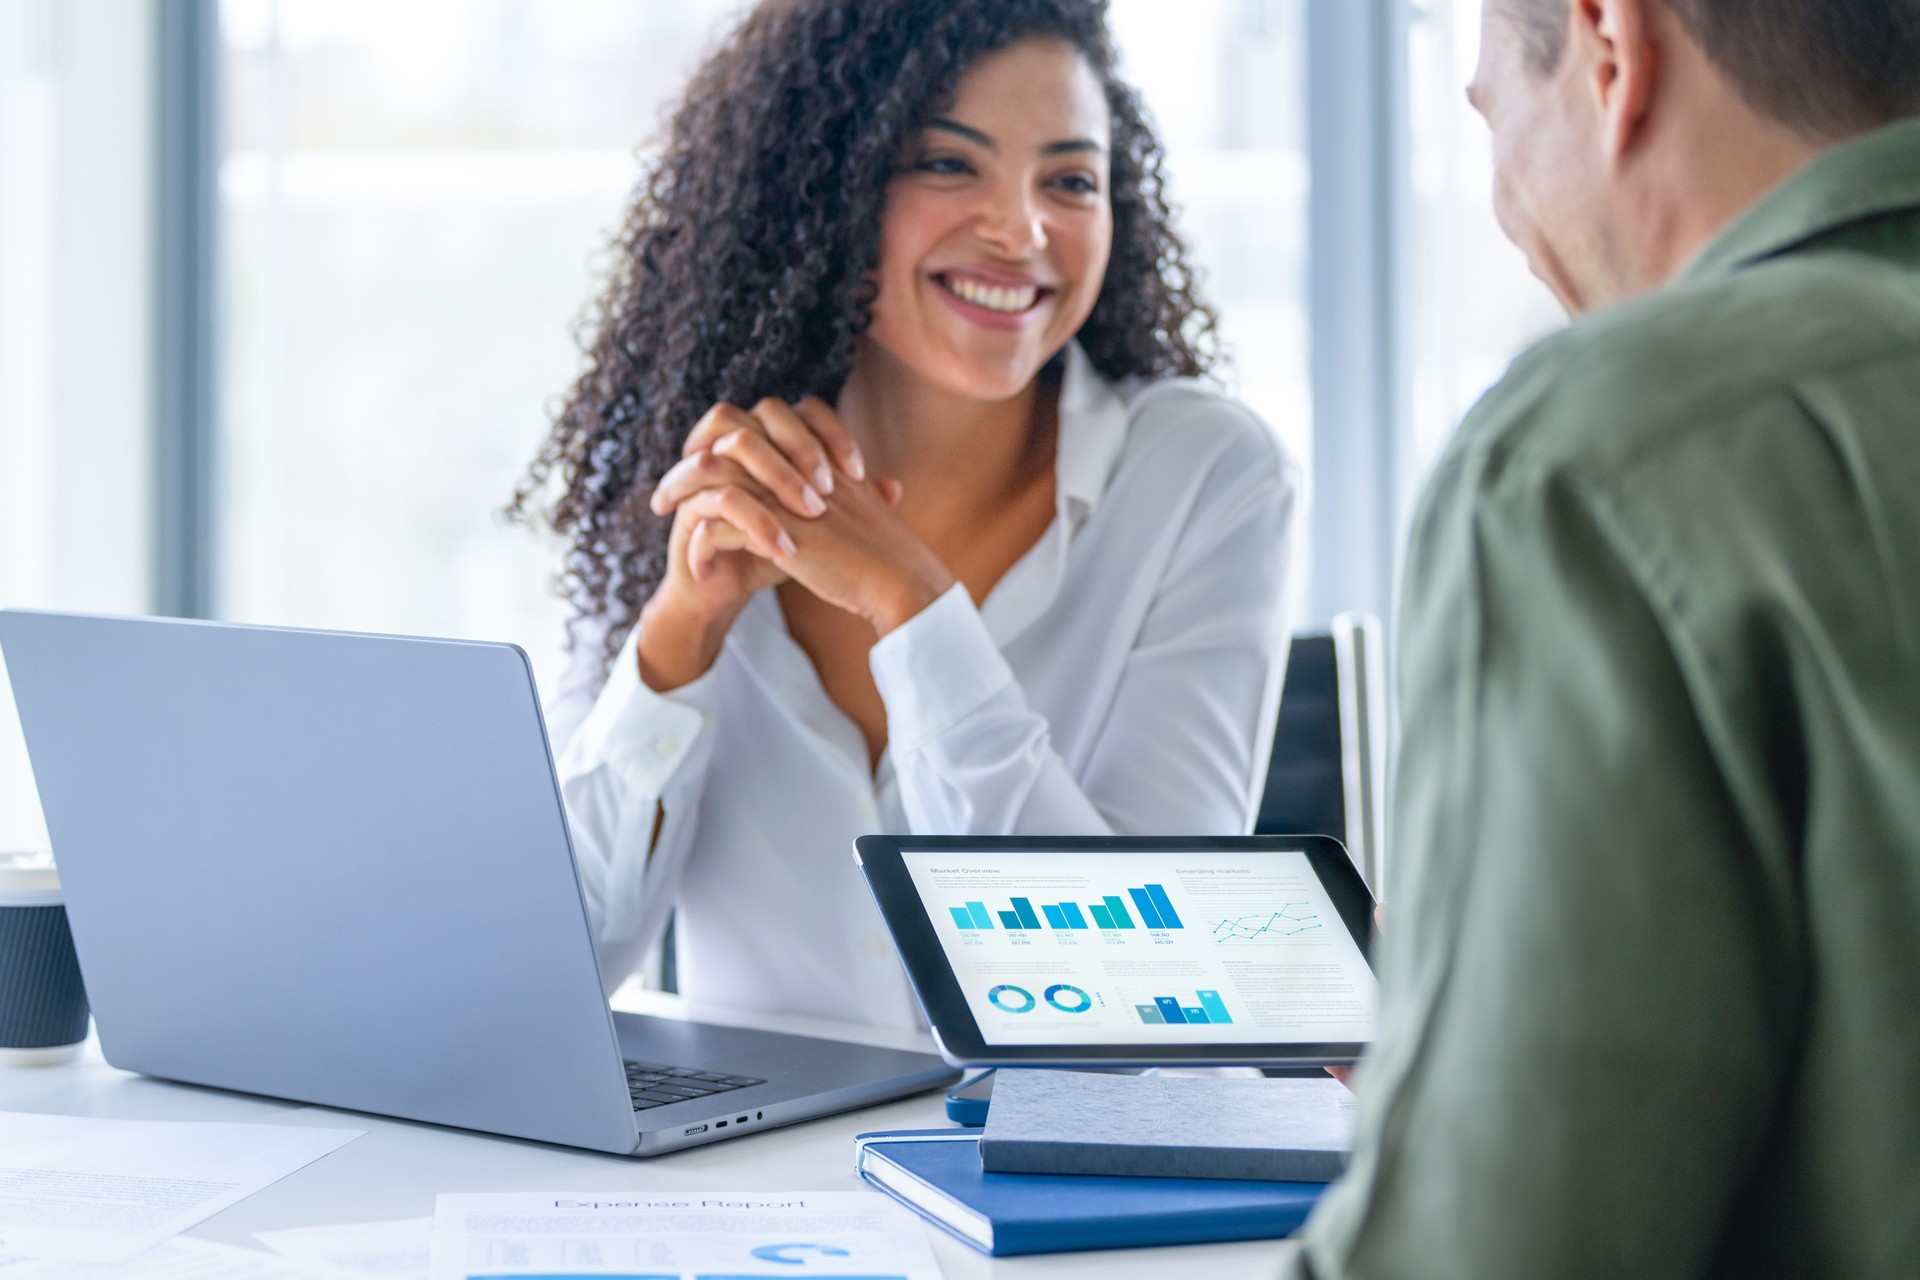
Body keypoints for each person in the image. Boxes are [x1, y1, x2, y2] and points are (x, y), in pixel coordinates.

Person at [511, 0, 1302, 1029]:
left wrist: (916, 608)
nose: (1021, 230)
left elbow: (1135, 996)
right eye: (947, 163)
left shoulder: (1206, 476)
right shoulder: (694, 467)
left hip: (1047, 1177)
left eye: (1070, 180)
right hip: (749, 1184)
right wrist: (678, 637)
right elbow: (548, 974)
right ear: (825, 186)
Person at [1287, 1, 1920, 1276]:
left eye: (1490, 114)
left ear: (1610, 51)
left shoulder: (1608, 447)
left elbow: (1494, 1246)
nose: (1508, 213)